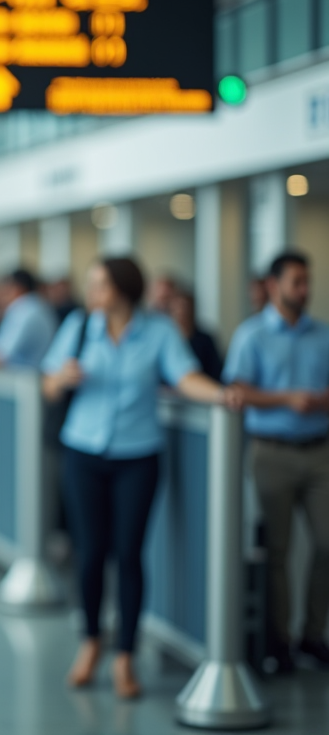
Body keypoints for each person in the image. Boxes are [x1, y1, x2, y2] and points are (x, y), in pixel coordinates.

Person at [41, 256, 238, 699]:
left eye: (99, 284)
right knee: (90, 554)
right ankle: (91, 642)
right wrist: (61, 379)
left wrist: (222, 395)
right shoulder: (77, 326)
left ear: (123, 289)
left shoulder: (159, 331)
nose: (91, 292)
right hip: (83, 452)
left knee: (129, 555)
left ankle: (125, 657)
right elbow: (47, 385)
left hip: (138, 456)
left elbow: (186, 378)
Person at [223, 251, 329, 673]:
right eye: (296, 282)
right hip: (271, 452)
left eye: (307, 281)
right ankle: (280, 641)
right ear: (274, 285)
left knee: (326, 544)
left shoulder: (323, 334)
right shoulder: (251, 335)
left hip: (320, 451)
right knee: (276, 552)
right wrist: (287, 398)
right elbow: (238, 390)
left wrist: (318, 401)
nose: (304, 290)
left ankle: (313, 634)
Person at [167, 286, 223, 379]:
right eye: (177, 308)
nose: (181, 312)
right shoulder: (166, 339)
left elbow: (216, 372)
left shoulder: (205, 340)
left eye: (185, 307)